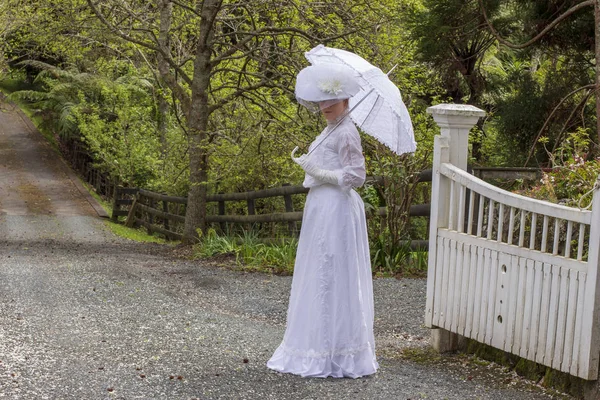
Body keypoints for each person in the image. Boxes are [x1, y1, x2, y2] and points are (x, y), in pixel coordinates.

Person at [267, 63, 379, 378]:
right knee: (317, 272)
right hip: (320, 207)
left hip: (336, 209)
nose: (325, 109)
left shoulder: (347, 132)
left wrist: (321, 174)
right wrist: (309, 164)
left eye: (332, 104)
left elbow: (356, 176)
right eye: (323, 104)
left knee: (333, 272)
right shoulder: (330, 129)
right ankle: (313, 343)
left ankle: (338, 351)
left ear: (345, 101)